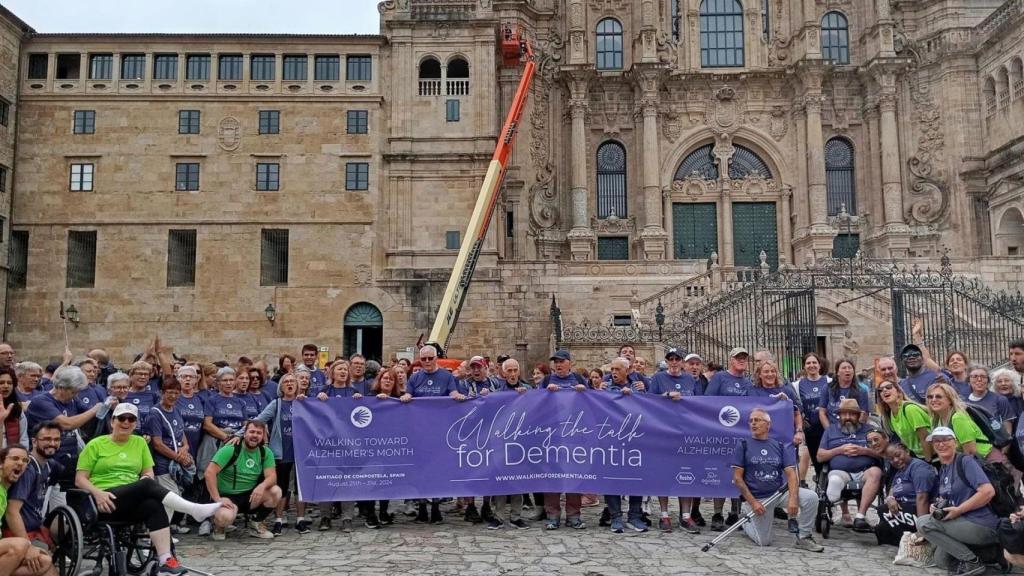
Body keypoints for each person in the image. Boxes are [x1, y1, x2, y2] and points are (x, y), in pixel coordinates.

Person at [76, 403, 222, 575]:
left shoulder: (139, 442)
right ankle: (192, 509)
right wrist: (97, 493)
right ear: (113, 421)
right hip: (104, 499)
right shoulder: (96, 444)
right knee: (146, 485)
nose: (126, 422)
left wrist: (144, 482)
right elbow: (80, 480)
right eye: (122, 418)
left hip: (130, 499)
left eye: (131, 419)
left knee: (153, 504)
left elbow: (147, 473)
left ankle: (165, 560)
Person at [731, 408, 823, 552]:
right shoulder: (743, 445)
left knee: (811, 497)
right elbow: (737, 479)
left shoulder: (779, 446)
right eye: (751, 421)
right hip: (758, 498)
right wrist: (753, 502)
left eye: (757, 420)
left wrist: (793, 499)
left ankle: (804, 537)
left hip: (778, 494)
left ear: (768, 424)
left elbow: (791, 474)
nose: (753, 423)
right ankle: (746, 519)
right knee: (764, 542)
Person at [917, 426, 1000, 576]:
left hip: (981, 524)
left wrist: (960, 509)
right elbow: (949, 496)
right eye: (936, 441)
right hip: (962, 523)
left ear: (955, 442)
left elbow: (988, 492)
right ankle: (989, 556)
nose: (941, 444)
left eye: (946, 440)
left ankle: (972, 562)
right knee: (942, 560)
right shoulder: (943, 468)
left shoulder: (965, 461)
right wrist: (936, 506)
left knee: (923, 523)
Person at [25, 366, 108, 506]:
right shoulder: (42, 402)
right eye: (73, 391)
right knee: (41, 506)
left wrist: (106, 406)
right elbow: (67, 424)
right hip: (45, 463)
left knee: (62, 507)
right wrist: (95, 409)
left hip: (67, 463)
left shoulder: (72, 400)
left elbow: (88, 416)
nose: (76, 395)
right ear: (61, 388)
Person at [400, 346, 460, 524]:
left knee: (437, 471)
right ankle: (422, 508)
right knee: (420, 471)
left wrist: (457, 396)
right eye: (423, 359)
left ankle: (435, 507)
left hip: (440, 432)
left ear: (436, 358)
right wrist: (405, 397)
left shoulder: (446, 376)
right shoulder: (415, 377)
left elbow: (453, 392)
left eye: (429, 358)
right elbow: (408, 394)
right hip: (419, 433)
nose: (426, 362)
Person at [648, 347, 701, 533]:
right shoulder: (658, 378)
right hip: (664, 433)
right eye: (670, 359)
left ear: (682, 362)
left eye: (677, 358)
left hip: (686, 433)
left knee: (685, 474)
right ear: (667, 361)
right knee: (664, 474)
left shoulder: (690, 379)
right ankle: (664, 514)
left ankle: (686, 515)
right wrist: (666, 396)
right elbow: (649, 402)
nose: (674, 362)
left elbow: (700, 403)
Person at [204, 419, 281, 540]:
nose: (255, 435)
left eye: (259, 433)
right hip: (228, 496)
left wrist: (262, 486)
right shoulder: (231, 449)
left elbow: (272, 477)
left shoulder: (265, 452)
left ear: (263, 436)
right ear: (244, 433)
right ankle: (219, 526)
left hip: (250, 495)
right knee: (224, 518)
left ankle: (256, 523)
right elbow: (209, 473)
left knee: (276, 491)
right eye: (252, 432)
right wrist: (217, 498)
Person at [705, 347, 754, 530]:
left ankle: (734, 512)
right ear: (730, 360)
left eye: (744, 358)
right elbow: (708, 401)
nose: (741, 361)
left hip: (741, 436)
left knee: (739, 473)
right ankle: (717, 513)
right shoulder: (720, 378)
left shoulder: (748, 383)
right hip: (722, 434)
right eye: (738, 358)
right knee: (720, 473)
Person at [817, 399, 883, 532]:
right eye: (844, 414)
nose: (847, 417)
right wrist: (839, 450)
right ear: (839, 416)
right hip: (840, 472)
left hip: (865, 471)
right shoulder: (830, 430)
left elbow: (882, 454)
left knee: (876, 472)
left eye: (852, 414)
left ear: (858, 416)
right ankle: (836, 502)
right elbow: (819, 456)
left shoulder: (870, 430)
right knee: (835, 480)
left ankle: (860, 516)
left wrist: (864, 451)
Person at [539, 350, 587, 530]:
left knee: (574, 475)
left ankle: (574, 515)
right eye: (555, 362)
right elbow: (536, 403)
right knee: (552, 476)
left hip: (575, 436)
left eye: (561, 361)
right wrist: (545, 393)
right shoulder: (546, 381)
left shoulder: (579, 380)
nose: (558, 365)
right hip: (552, 436)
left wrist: (585, 392)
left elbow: (593, 402)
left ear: (569, 363)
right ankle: (553, 516)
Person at [602, 358, 647, 534]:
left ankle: (635, 516)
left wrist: (636, 397)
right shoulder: (604, 387)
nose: (613, 372)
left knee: (635, 477)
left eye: (618, 369)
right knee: (611, 478)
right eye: (612, 368)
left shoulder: (637, 387)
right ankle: (616, 517)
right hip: (610, 440)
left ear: (627, 371)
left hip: (634, 440)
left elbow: (648, 408)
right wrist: (597, 392)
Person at [144, 379, 194, 529]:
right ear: (162, 393)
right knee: (171, 496)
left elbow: (181, 433)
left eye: (176, 393)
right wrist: (177, 457)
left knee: (174, 495)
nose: (173, 396)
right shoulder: (155, 414)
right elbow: (157, 444)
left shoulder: (176, 410)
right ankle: (158, 532)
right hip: (162, 464)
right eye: (170, 393)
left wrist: (185, 448)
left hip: (176, 463)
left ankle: (163, 529)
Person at [0, 445, 57, 576]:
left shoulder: (4, 489)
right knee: (20, 545)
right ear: (1, 463)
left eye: (25, 460)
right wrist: (27, 546)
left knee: (43, 561)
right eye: (15, 458)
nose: (20, 463)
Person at [3, 422, 62, 547]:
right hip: (17, 533)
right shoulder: (27, 469)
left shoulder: (48, 465)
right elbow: (12, 511)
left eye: (56, 439)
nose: (52, 443)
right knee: (43, 560)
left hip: (35, 527)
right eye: (47, 439)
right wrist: (27, 546)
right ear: (34, 442)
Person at [875, 442, 935, 546]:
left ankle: (918, 540)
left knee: (883, 512)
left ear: (907, 451)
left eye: (898, 455)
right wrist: (890, 498)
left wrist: (921, 529)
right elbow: (893, 488)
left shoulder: (919, 468)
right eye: (891, 459)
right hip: (904, 510)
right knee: (881, 527)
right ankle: (905, 542)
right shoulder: (900, 471)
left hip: (921, 511)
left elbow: (922, 498)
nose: (896, 460)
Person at [926, 381, 993, 460]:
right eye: (930, 397)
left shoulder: (958, 418)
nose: (933, 400)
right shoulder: (935, 420)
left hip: (986, 460)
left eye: (938, 396)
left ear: (950, 400)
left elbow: (970, 452)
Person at [877, 378, 933, 462]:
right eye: (880, 390)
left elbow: (925, 438)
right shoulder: (891, 415)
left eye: (888, 387)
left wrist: (928, 462)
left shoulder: (909, 409)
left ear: (898, 392)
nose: (884, 390)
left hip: (933, 456)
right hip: (918, 456)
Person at [797, 352, 829, 483]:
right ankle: (821, 489)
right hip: (811, 431)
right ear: (804, 366)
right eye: (808, 363)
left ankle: (828, 487)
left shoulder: (829, 381)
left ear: (819, 365)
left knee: (830, 461)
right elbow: (797, 407)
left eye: (814, 362)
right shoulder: (798, 385)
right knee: (817, 462)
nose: (812, 365)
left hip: (827, 428)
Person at [963, 366, 1014, 435]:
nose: (979, 379)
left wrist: (1003, 446)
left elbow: (1008, 432)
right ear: (969, 380)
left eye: (983, 376)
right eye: (975, 376)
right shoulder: (963, 403)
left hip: (997, 444)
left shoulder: (1000, 400)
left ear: (988, 381)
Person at [818, 358, 869, 427]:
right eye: (844, 368)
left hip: (854, 431)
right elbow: (822, 412)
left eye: (850, 368)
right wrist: (829, 430)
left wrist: (855, 432)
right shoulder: (827, 388)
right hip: (833, 430)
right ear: (837, 372)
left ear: (853, 372)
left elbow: (864, 414)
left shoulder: (862, 390)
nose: (847, 370)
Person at [1, 367, 28, 449]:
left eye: (9, 383)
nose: (6, 386)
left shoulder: (17, 410)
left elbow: (23, 439)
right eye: (1, 383)